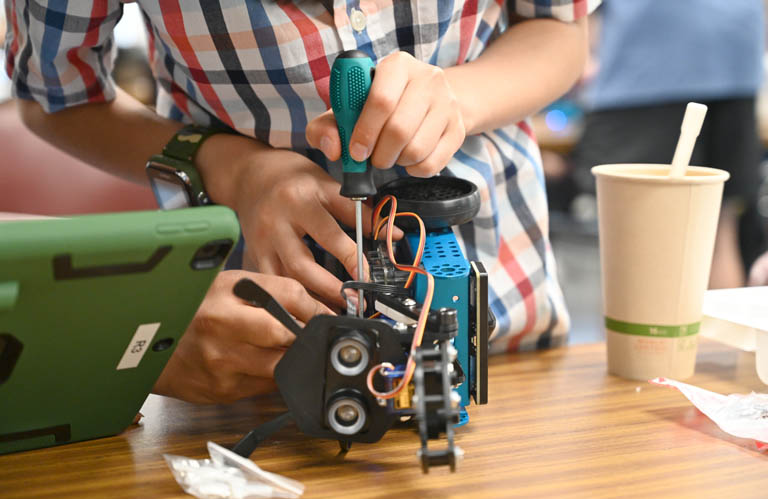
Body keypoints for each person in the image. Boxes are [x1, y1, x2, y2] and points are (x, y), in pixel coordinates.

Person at [5, 0, 597, 403]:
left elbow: (559, 25)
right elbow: (55, 96)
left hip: (501, 335)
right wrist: (234, 167)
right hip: (255, 357)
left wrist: (460, 98)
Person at [572, 0, 767, 289]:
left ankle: (636, 334)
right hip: (732, 50)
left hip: (648, 63)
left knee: (636, 241)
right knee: (717, 232)